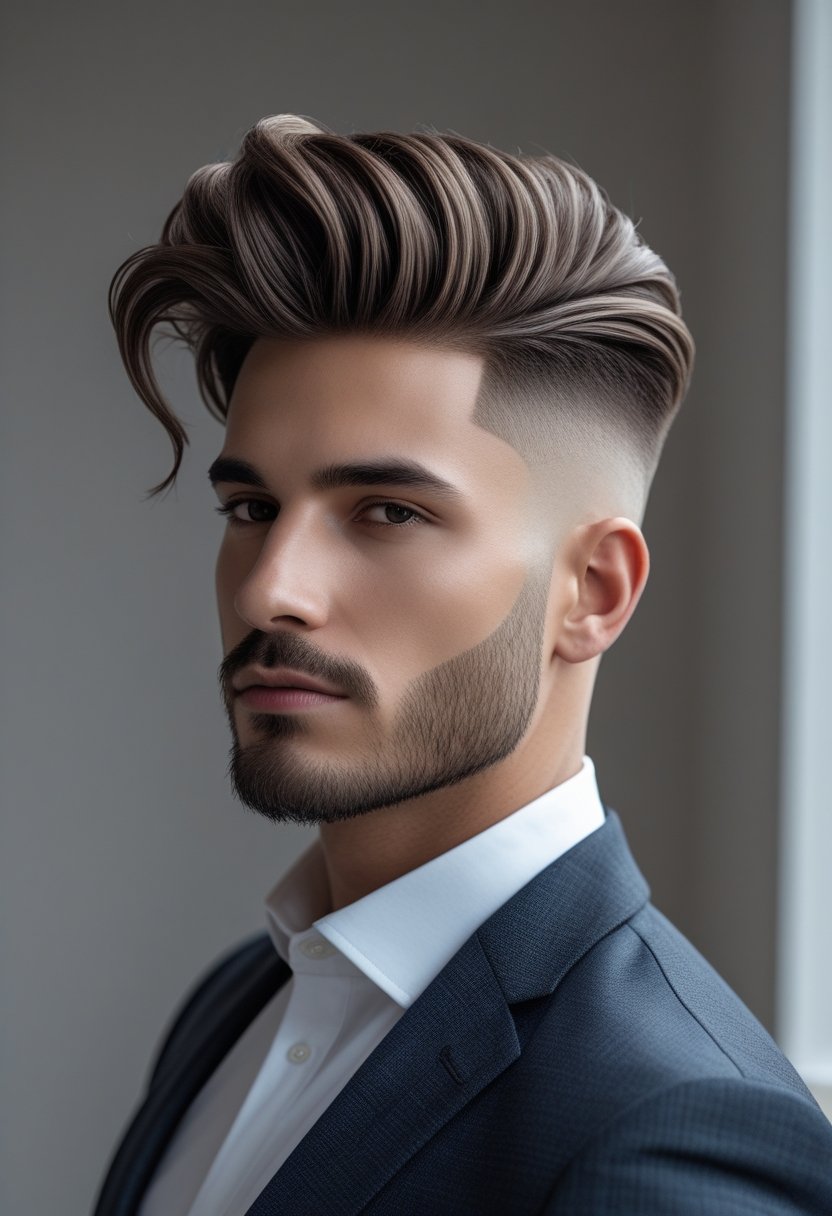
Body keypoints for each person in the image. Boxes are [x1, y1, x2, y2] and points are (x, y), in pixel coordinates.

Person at [93, 114, 832, 1215]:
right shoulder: (241, 1003)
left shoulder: (677, 1131)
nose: (267, 588)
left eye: (386, 510)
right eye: (251, 507)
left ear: (593, 592)